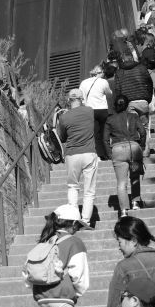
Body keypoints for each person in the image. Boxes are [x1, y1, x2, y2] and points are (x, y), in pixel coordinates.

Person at [29, 205, 89, 307]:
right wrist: (75, 292)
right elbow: (80, 276)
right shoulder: (74, 242)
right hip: (62, 297)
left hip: (42, 297)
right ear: (73, 224)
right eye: (78, 226)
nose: (77, 230)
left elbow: (28, 272)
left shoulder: (46, 239)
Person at [56, 88, 98, 228]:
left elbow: (61, 137)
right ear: (82, 99)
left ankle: (73, 218)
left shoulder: (64, 117)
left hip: (72, 154)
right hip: (89, 153)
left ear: (69, 100)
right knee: (89, 190)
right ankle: (85, 220)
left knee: (73, 186)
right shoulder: (90, 111)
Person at [104, 94, 146, 217]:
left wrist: (109, 153)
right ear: (127, 105)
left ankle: (123, 211)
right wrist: (142, 146)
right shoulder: (133, 116)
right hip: (134, 147)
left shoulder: (110, 119)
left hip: (118, 149)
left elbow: (105, 139)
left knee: (121, 183)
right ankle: (136, 202)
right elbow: (142, 132)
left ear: (115, 106)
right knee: (135, 177)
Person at [78, 63, 112, 161]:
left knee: (95, 133)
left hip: (89, 110)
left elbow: (81, 97)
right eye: (103, 72)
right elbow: (109, 93)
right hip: (102, 109)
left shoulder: (83, 83)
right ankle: (106, 153)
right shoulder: (103, 82)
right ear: (100, 73)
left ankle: (98, 154)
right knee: (104, 132)